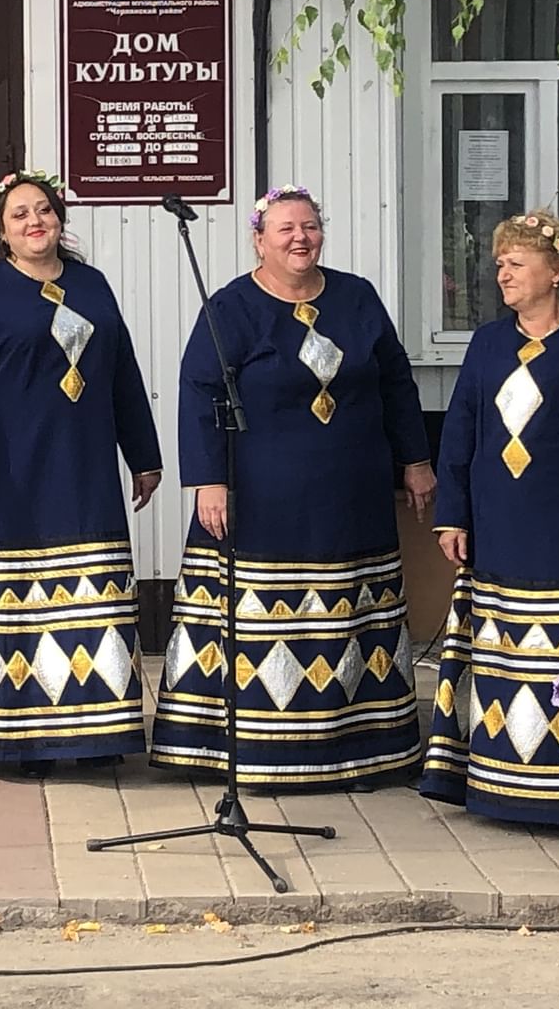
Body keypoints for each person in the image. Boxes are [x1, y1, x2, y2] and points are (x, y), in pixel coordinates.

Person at [150, 186, 436, 790]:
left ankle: (363, 752)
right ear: (259, 240)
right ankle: (256, 755)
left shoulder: (357, 297)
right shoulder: (231, 308)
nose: (300, 238)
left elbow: (396, 383)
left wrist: (416, 461)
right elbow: (198, 394)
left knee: (353, 619)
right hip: (261, 499)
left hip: (351, 497)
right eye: (285, 229)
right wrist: (208, 480)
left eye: (309, 226)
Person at [0, 170, 162, 775]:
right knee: (17, 602)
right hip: (12, 472)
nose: (35, 222)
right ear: (0, 228)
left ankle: (93, 736)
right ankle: (11, 737)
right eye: (20, 214)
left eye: (43, 210)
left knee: (89, 597)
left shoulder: (93, 286)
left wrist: (144, 453)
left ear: (59, 219)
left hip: (84, 468)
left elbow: (122, 371)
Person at [418, 210, 559, 826]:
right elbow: (461, 429)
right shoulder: (489, 343)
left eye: (516, 264)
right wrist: (452, 515)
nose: (503, 276)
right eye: (499, 265)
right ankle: (496, 787)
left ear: (558, 269)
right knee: (500, 657)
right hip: (499, 530)